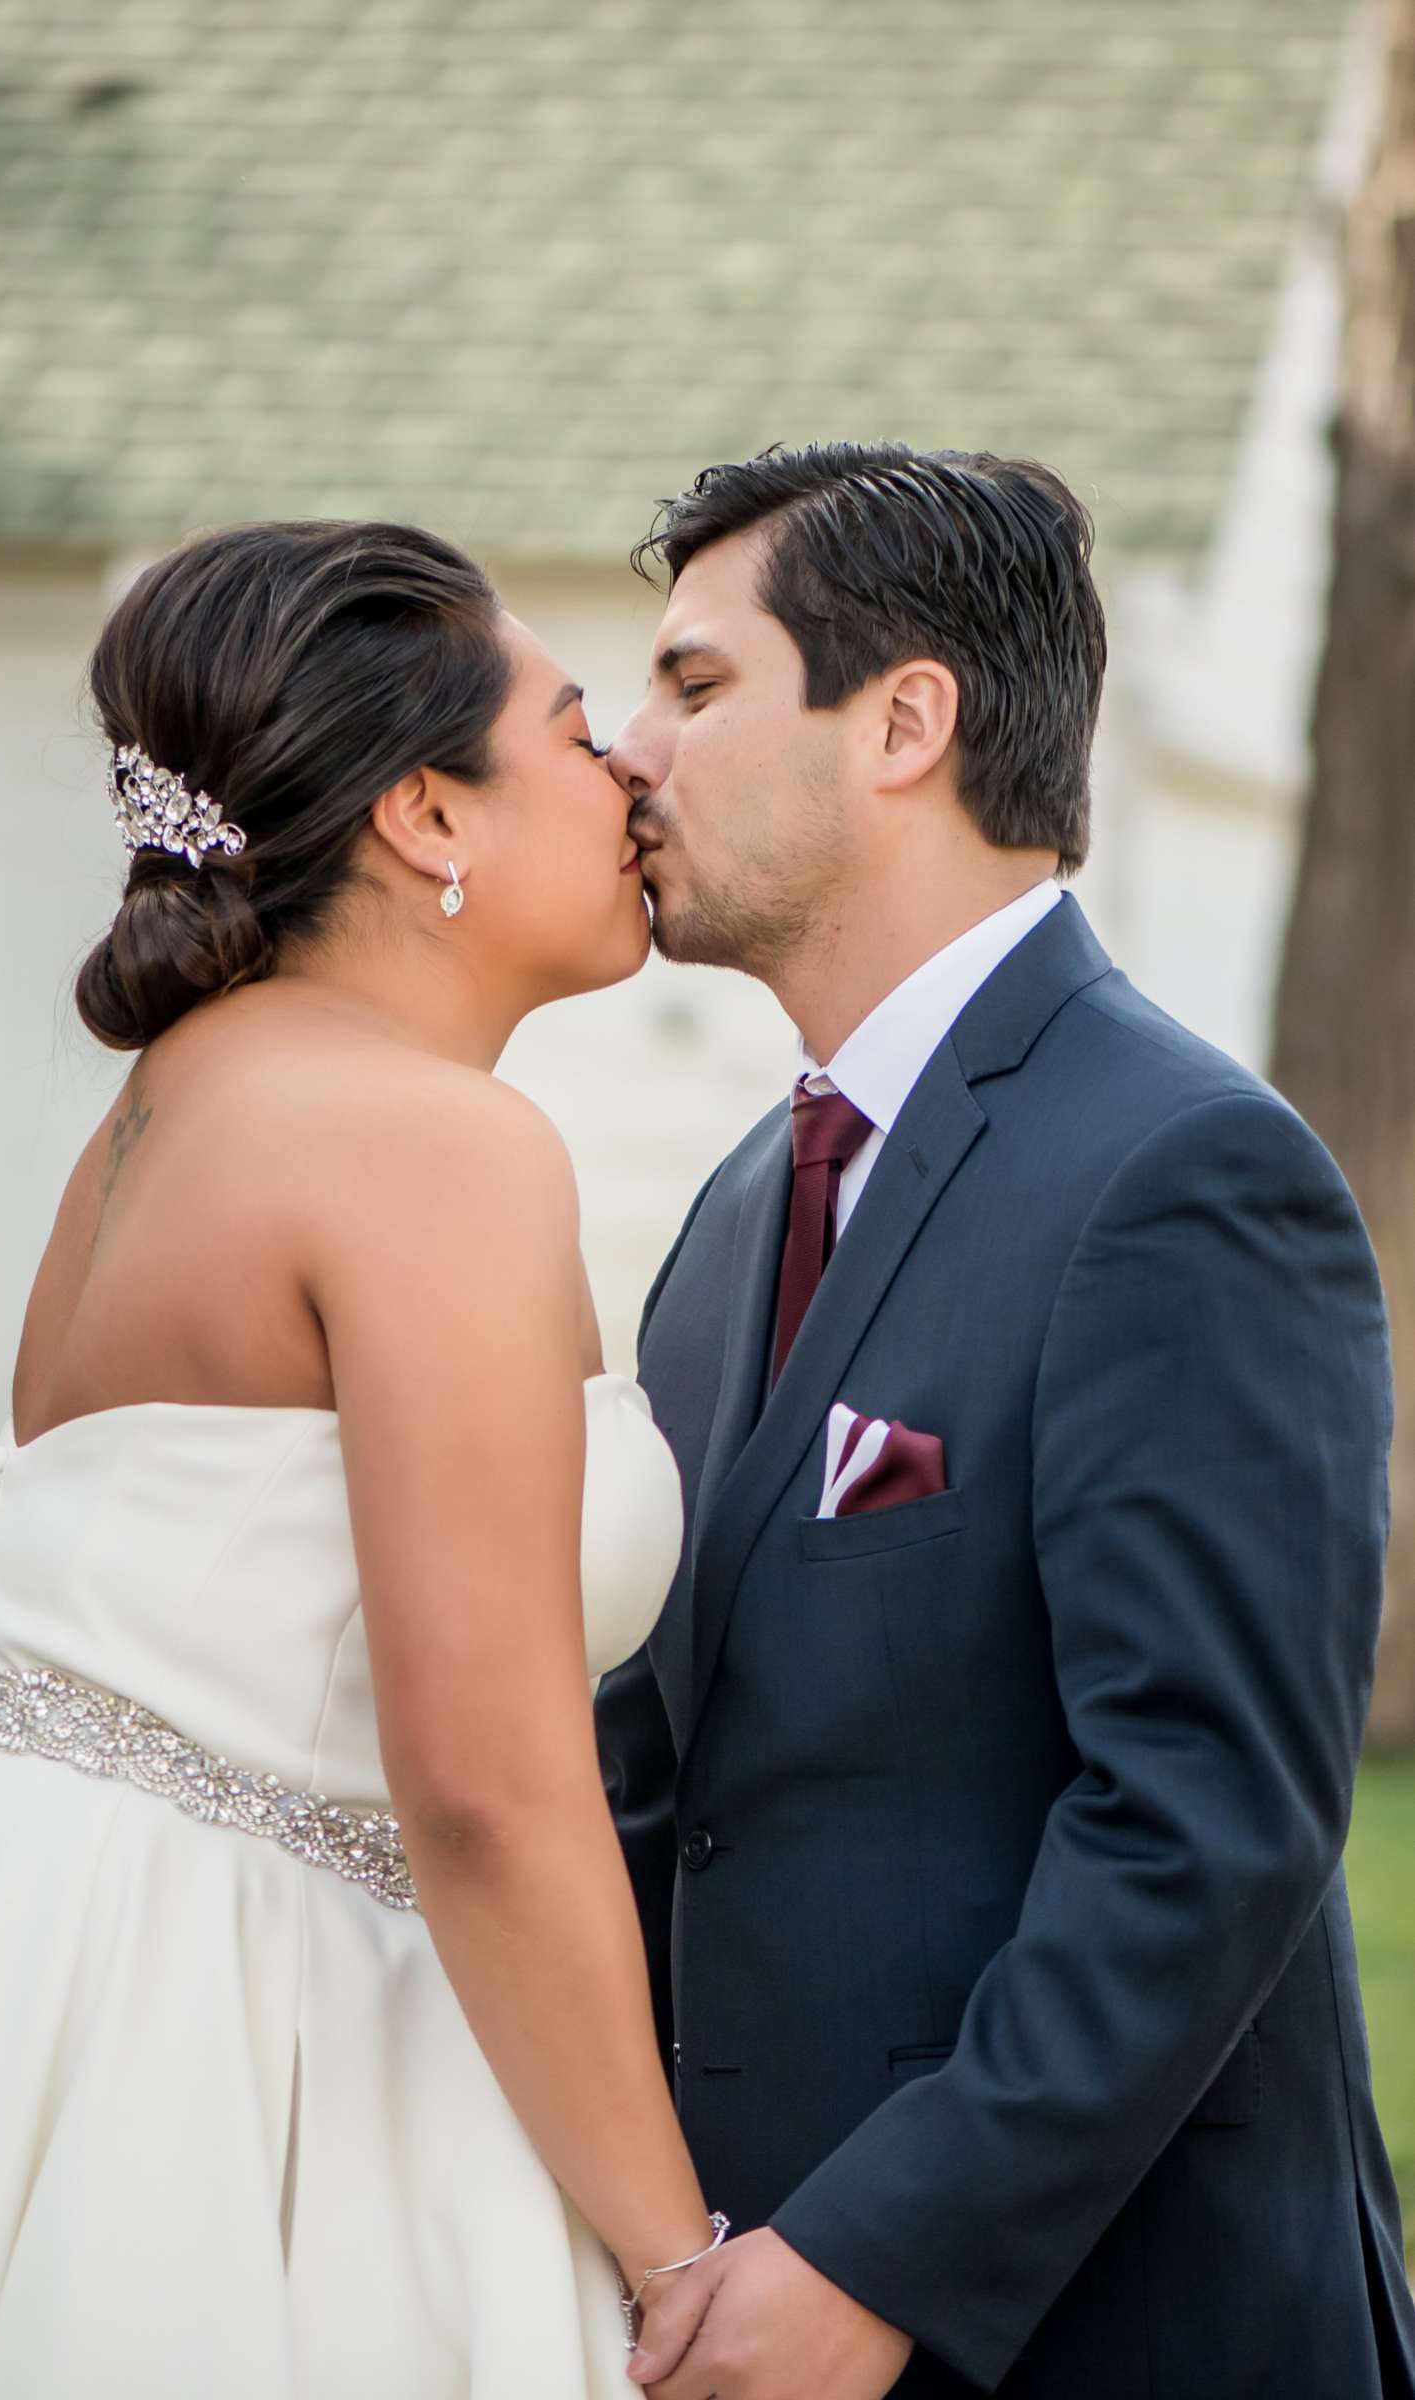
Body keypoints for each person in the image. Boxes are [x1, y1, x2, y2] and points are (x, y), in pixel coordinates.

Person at [0, 520, 722, 2399]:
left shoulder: (174, 1099)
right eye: (569, 729)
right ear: (424, 820)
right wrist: (674, 2256)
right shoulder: (430, 1145)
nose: (624, 765)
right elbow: (476, 1779)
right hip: (219, 2039)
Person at [595, 440, 1415, 2400]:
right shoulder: (725, 1220)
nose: (630, 748)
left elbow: (1208, 1820)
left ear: (905, 721)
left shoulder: (1189, 1173)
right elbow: (657, 1788)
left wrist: (877, 2263)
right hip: (731, 2303)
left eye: (696, 685)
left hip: (1114, 2326)